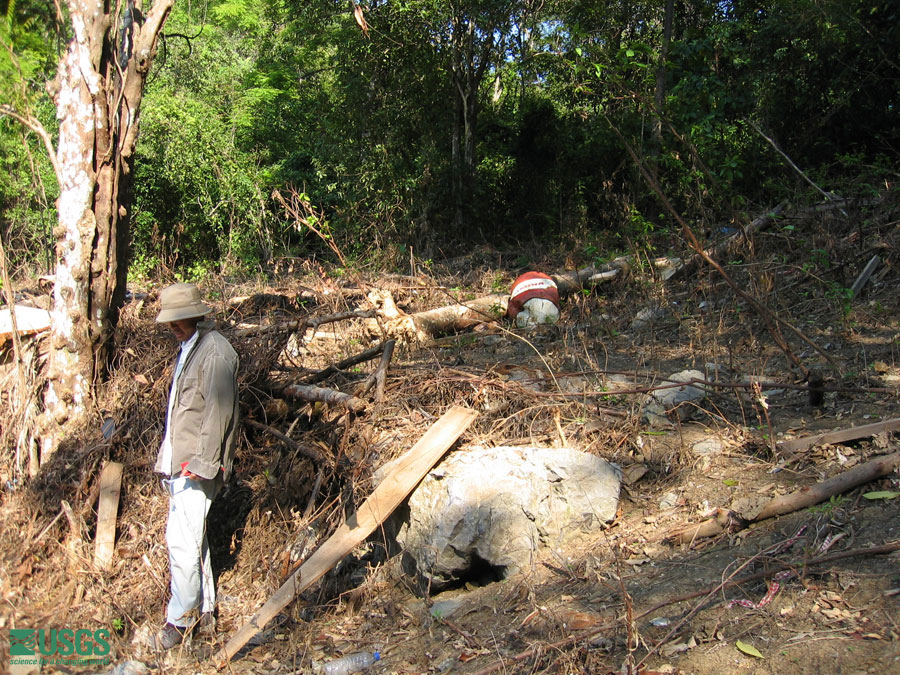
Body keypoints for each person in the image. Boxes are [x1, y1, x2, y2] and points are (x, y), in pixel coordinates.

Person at [151, 282, 239, 651]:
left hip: (196, 465)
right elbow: (182, 411)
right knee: (192, 541)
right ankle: (204, 611)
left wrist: (200, 464)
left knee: (181, 543)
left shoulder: (216, 353)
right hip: (181, 462)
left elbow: (219, 413)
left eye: (178, 319)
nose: (172, 326)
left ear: (195, 315)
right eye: (169, 320)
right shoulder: (191, 347)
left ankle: (180, 620)